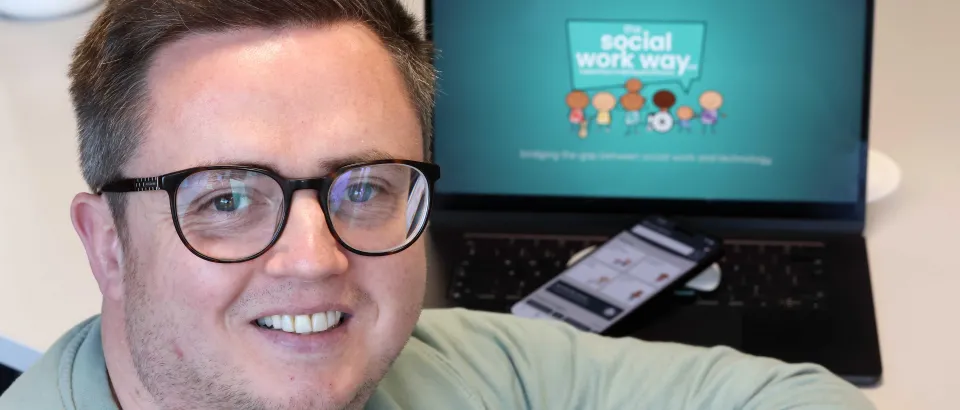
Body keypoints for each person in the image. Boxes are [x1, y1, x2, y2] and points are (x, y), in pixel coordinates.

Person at [0, 1, 875, 409]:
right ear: (107, 245)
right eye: (227, 198)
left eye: (364, 188)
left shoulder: (445, 371)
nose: (315, 261)